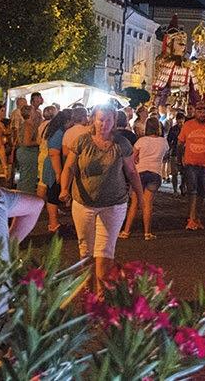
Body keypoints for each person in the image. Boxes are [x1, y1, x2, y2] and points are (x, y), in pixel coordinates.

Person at [59, 103, 143, 295]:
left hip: (114, 203)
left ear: (114, 122)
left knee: (105, 252)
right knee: (86, 250)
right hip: (83, 203)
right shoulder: (82, 141)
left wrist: (140, 197)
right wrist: (64, 188)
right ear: (93, 120)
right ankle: (88, 291)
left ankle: (102, 295)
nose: (103, 124)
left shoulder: (121, 143)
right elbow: (70, 167)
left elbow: (131, 172)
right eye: (100, 120)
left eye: (108, 120)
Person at [120, 116, 169, 240]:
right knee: (148, 203)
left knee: (134, 203)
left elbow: (132, 155)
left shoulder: (141, 141)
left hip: (140, 172)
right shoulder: (163, 142)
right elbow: (164, 155)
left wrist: (136, 159)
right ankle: (147, 233)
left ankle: (126, 231)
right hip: (155, 173)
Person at [178, 100, 205, 230]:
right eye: (199, 111)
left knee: (202, 192)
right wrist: (179, 158)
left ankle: (196, 217)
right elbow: (180, 143)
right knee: (192, 191)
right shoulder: (188, 125)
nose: (202, 113)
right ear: (195, 112)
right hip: (190, 163)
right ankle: (191, 219)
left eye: (204, 111)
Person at [40, 108, 72, 233]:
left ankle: (54, 223)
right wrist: (59, 173)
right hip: (55, 166)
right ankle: (53, 223)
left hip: (55, 165)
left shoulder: (57, 131)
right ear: (67, 121)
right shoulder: (59, 133)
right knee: (53, 194)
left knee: (53, 193)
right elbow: (54, 153)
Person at [13, 104, 41, 193]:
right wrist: (38, 142)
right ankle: (26, 197)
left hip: (23, 152)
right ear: (30, 113)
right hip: (28, 153)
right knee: (28, 178)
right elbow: (27, 142)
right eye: (33, 111)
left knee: (24, 176)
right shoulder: (28, 125)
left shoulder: (24, 124)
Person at [166, 110, 185, 194]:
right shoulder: (173, 129)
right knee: (174, 173)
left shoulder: (187, 129)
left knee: (184, 172)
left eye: (181, 120)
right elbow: (169, 140)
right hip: (174, 152)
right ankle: (175, 189)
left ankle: (183, 186)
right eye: (178, 120)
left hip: (185, 153)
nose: (180, 122)